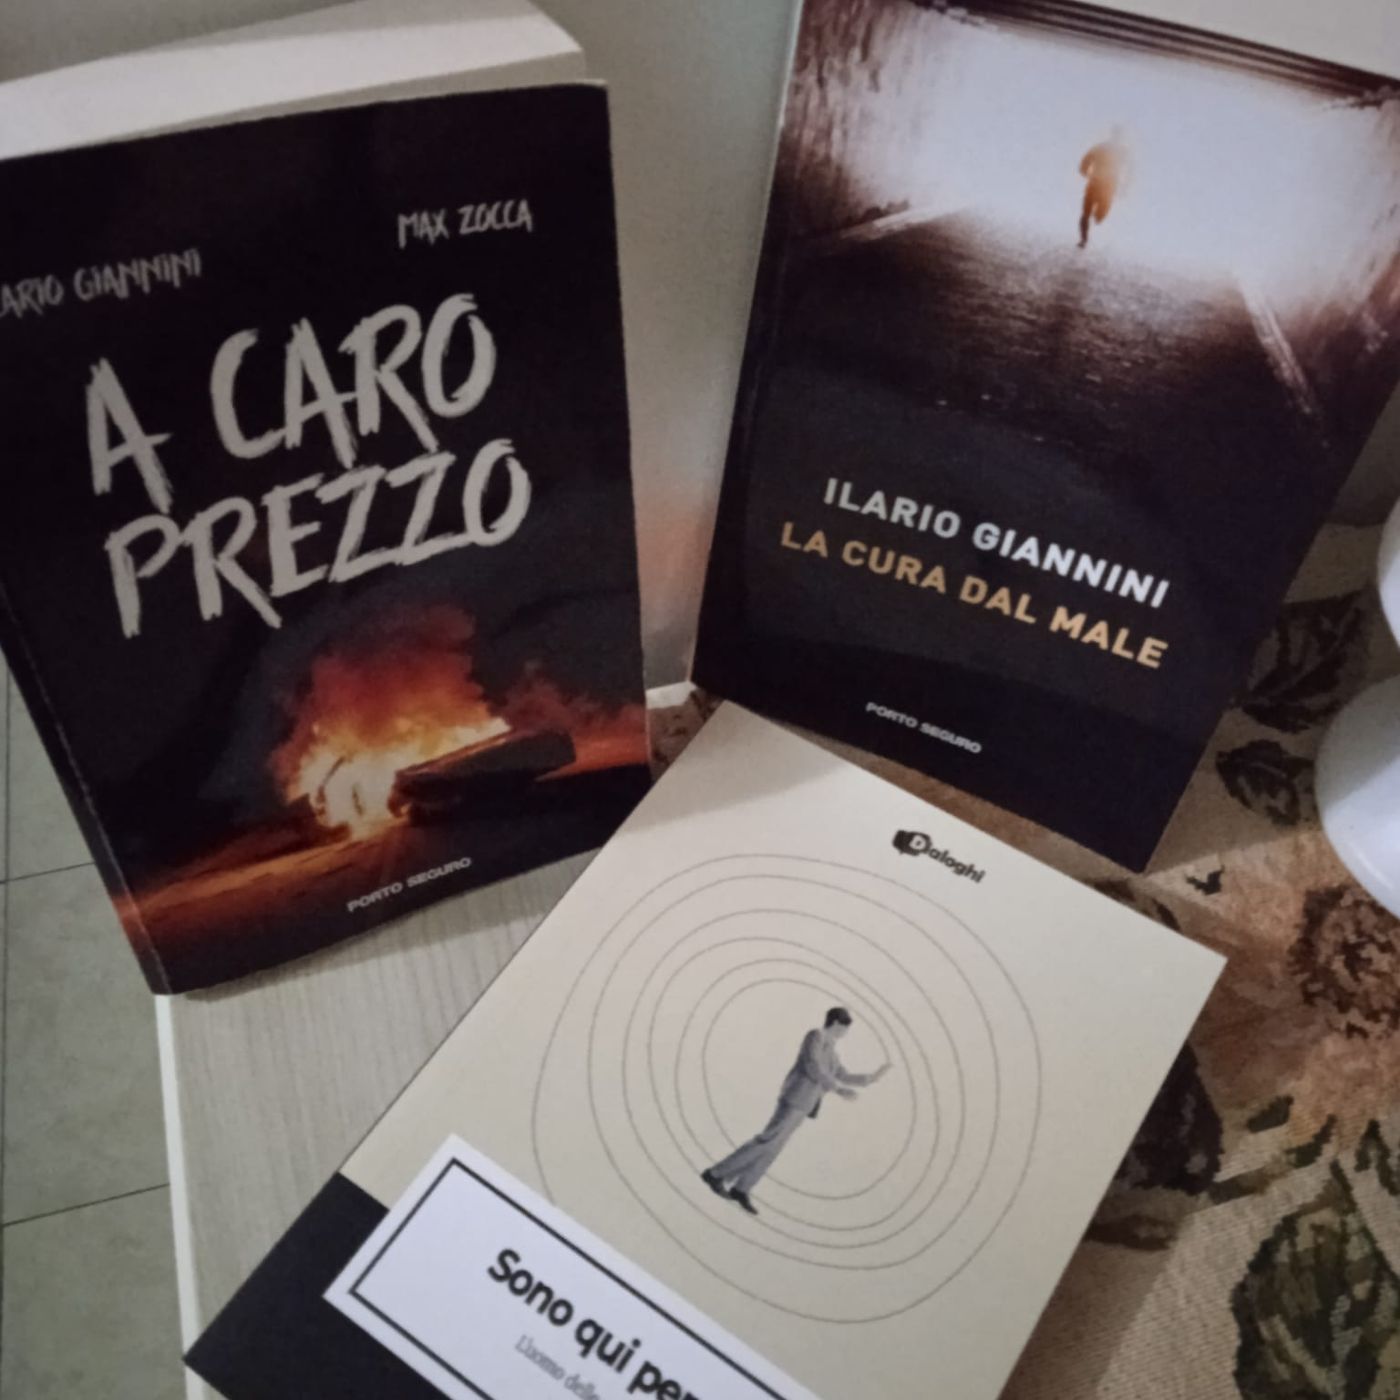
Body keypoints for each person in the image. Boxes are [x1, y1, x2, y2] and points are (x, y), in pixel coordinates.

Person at [700, 1007, 891, 1217]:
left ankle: (742, 1188)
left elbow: (842, 1074)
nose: (846, 1032)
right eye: (846, 1027)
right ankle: (715, 1174)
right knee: (767, 1141)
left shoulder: (833, 1051)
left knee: (774, 1147)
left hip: (805, 1104)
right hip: (795, 1098)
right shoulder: (815, 1036)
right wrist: (838, 1089)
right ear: (837, 1023)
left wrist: (871, 1078)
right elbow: (813, 1066)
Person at [1077, 125, 1131, 248]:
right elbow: (1086, 160)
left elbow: (1130, 170)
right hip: (1100, 184)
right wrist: (1085, 171)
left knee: (1095, 214)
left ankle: (1085, 237)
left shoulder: (1119, 151)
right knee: (1088, 212)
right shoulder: (1108, 148)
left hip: (1104, 184)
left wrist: (1084, 171)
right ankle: (1083, 240)